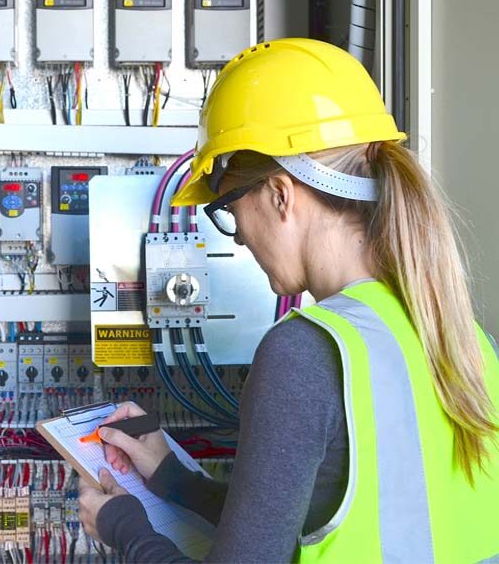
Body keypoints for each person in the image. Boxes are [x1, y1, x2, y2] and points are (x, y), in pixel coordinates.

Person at [77, 38, 499, 563]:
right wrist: (174, 479)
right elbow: (317, 511)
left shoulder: (303, 354)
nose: (236, 238)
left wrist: (125, 529)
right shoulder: (465, 337)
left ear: (280, 194)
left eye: (228, 208)